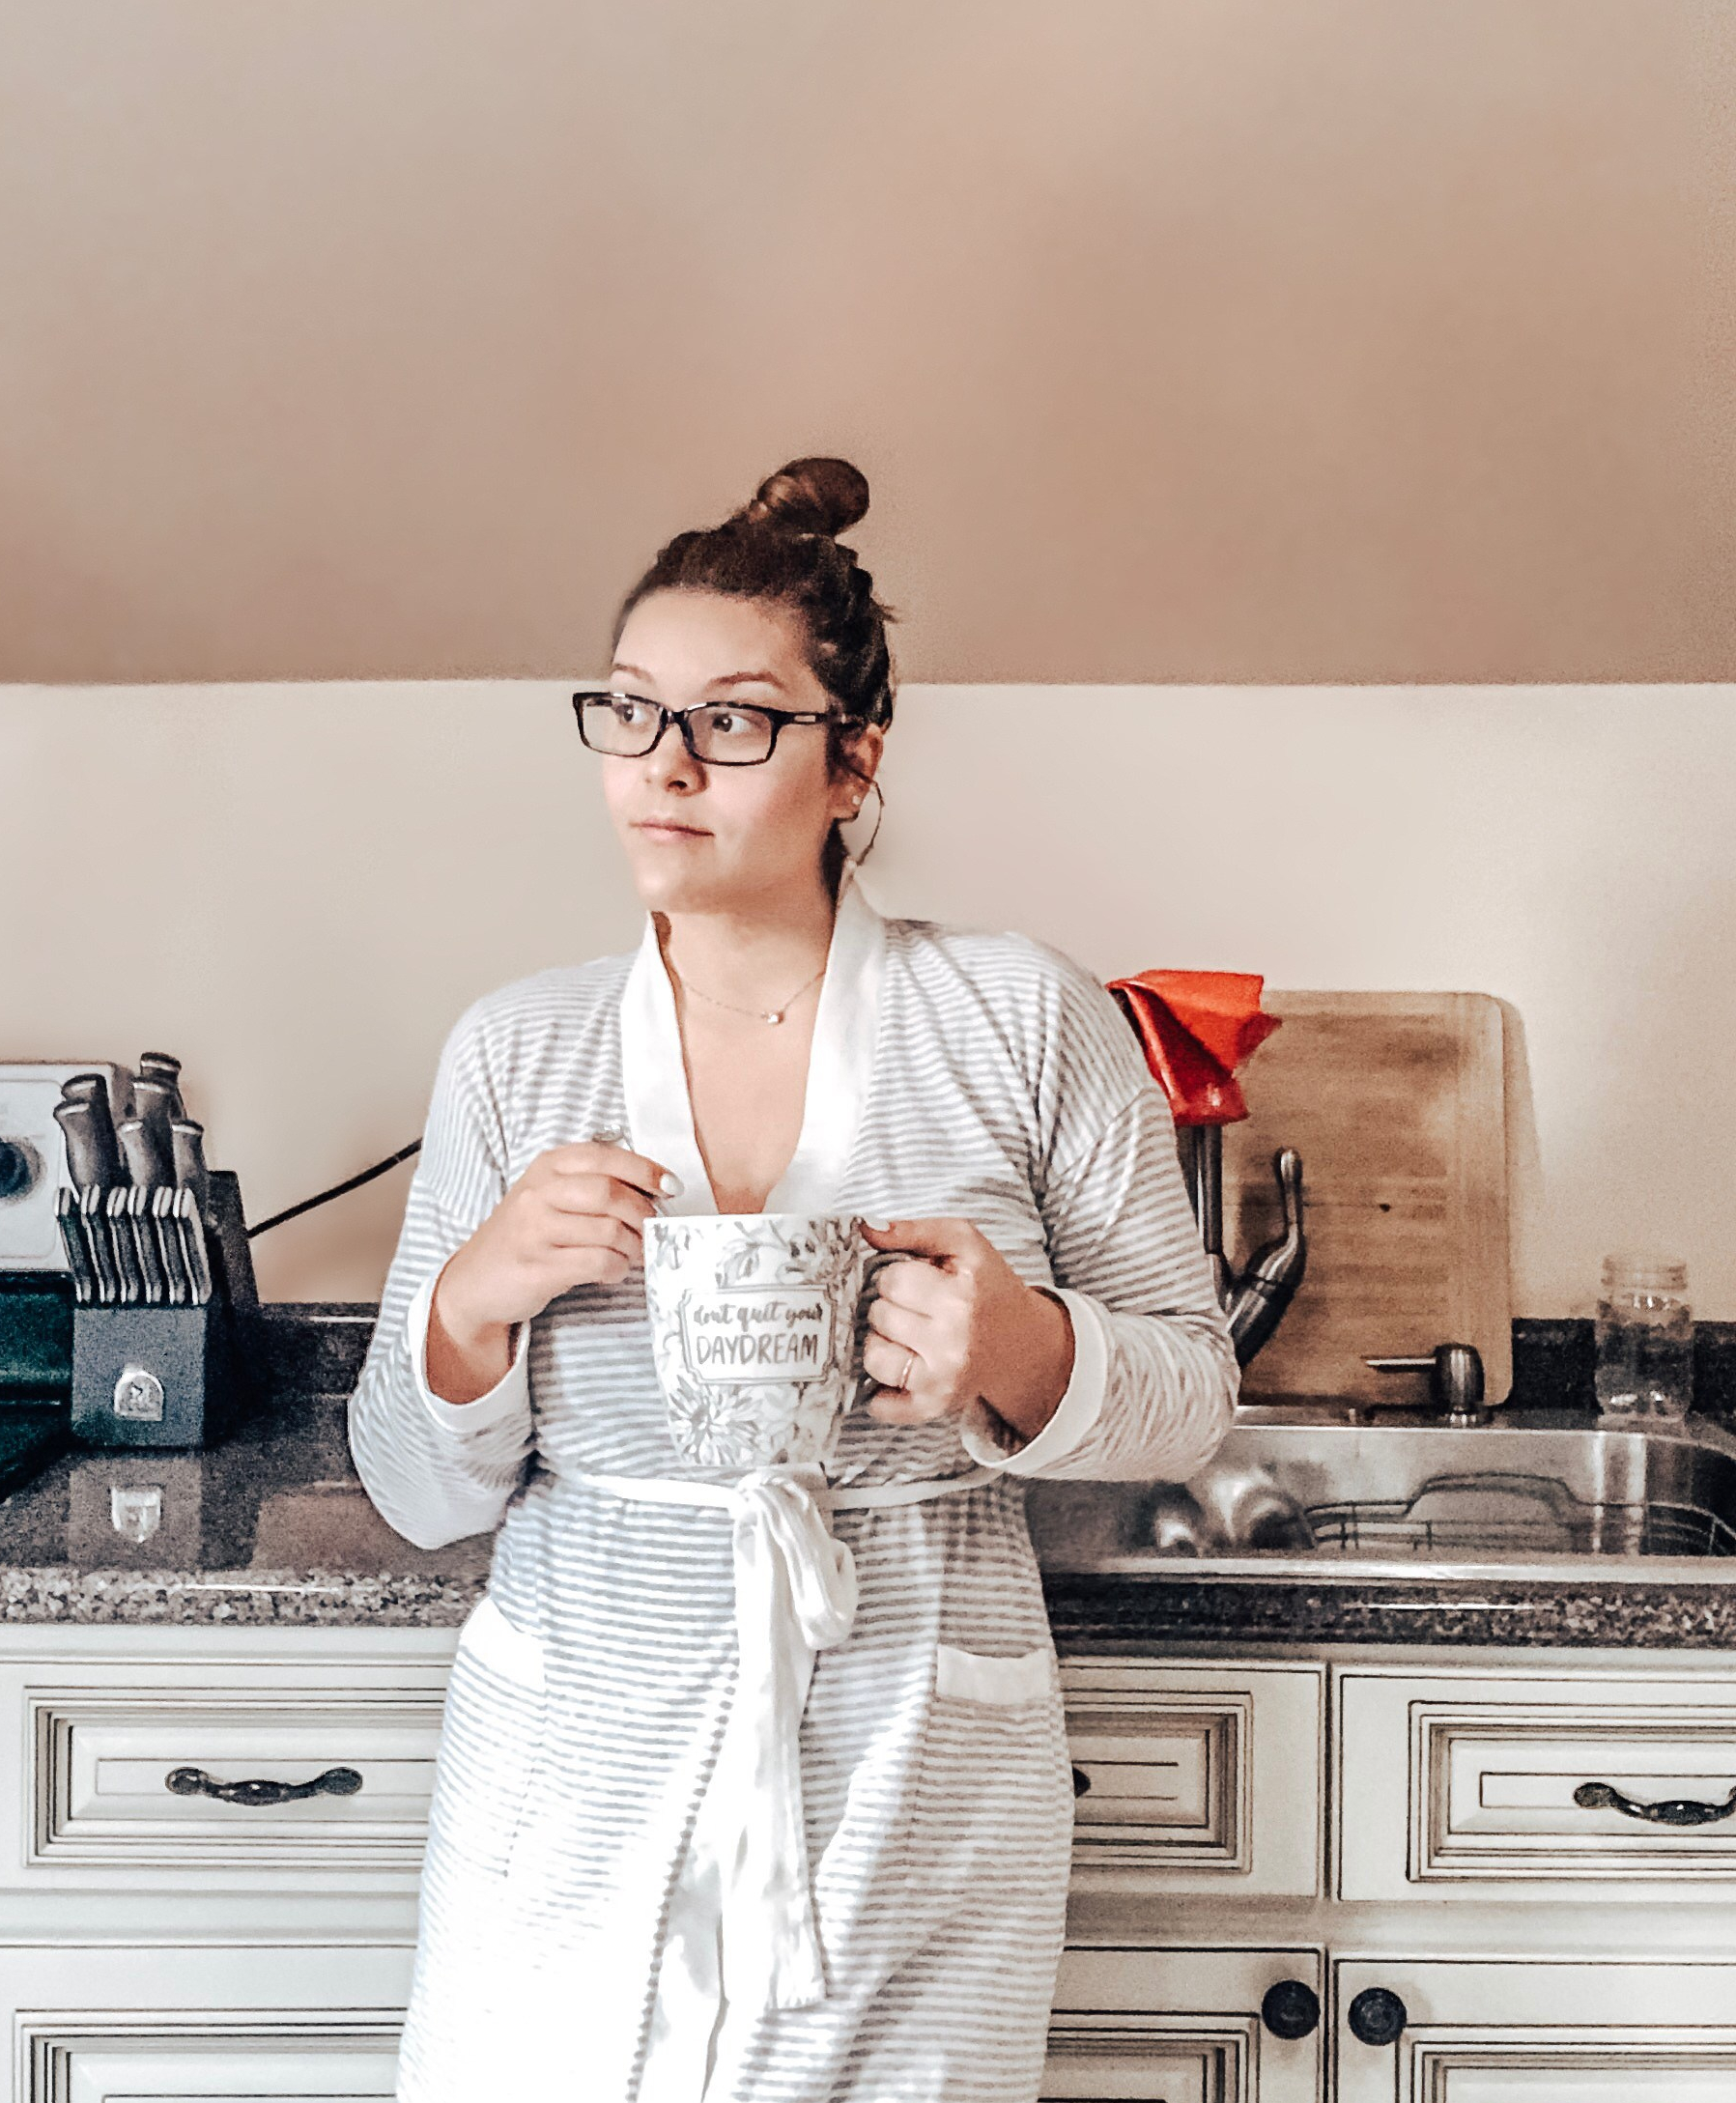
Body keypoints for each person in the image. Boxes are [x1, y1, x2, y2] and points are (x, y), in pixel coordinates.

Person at [349, 457, 1237, 2102]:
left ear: (854, 763)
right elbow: (415, 1492)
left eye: (736, 721)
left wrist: (1027, 1349)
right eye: (627, 714)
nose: (664, 767)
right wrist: (470, 1306)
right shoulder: (520, 1053)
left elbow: (1189, 1386)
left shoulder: (1021, 1021)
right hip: (575, 1760)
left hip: (907, 1763)